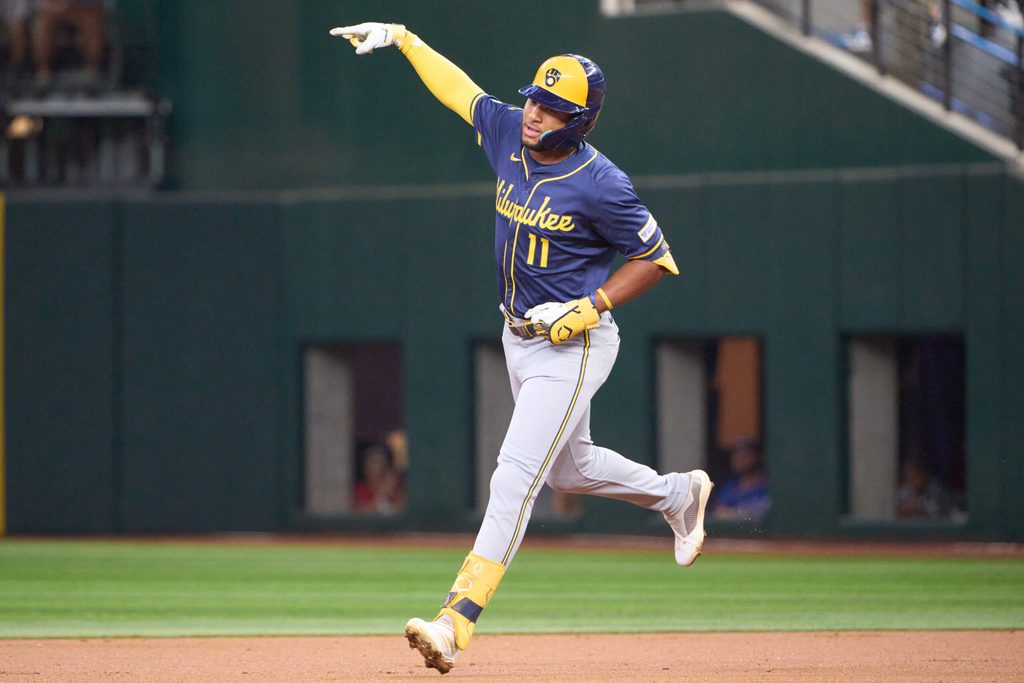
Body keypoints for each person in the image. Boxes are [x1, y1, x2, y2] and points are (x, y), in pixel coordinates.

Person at [331, 21, 714, 675]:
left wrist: (591, 305)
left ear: (581, 120)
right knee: (569, 467)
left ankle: (456, 620)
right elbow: (461, 93)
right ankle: (678, 494)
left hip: (578, 343)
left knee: (513, 474)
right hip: (519, 336)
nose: (536, 112)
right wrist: (405, 37)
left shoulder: (602, 183)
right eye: (535, 97)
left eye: (553, 107)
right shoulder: (510, 130)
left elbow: (658, 258)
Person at [31, 0, 106, 92]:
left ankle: (92, 72)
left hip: (86, 8)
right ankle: (43, 74)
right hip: (55, 7)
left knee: (92, 18)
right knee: (44, 18)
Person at [710, 437, 770, 522]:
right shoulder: (729, 488)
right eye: (736, 455)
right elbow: (718, 513)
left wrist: (732, 513)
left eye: (745, 455)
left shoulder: (767, 486)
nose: (739, 459)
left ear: (756, 457)